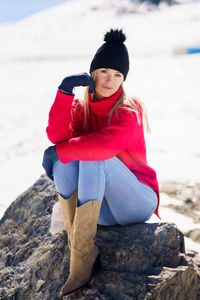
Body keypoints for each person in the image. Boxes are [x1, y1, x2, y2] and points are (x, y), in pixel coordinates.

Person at [42, 28, 160, 296]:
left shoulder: (130, 110)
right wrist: (64, 91)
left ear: (123, 80)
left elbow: (103, 146)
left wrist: (59, 151)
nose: (111, 80)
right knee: (64, 162)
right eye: (105, 71)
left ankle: (79, 269)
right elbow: (57, 136)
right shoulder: (81, 109)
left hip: (137, 202)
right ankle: (81, 249)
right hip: (102, 213)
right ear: (92, 73)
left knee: (95, 157)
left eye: (118, 75)